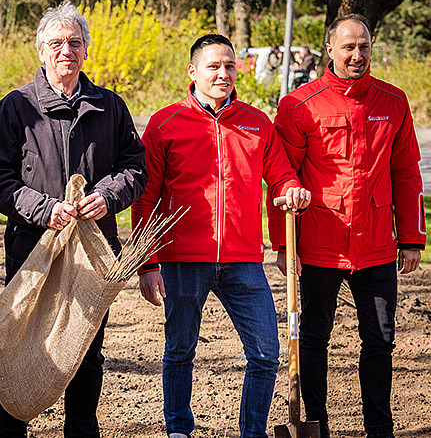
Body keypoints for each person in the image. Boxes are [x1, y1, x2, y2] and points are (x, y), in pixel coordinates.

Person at [0, 2, 146, 438]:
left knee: (86, 350)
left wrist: (107, 198)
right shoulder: (15, 108)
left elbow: (136, 170)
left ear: (86, 50)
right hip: (31, 248)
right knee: (19, 344)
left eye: (74, 42)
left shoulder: (110, 107)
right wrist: (43, 208)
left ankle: (81, 430)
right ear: (41, 51)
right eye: (55, 43)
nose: (65, 51)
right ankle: (11, 431)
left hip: (94, 253)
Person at [131, 34, 311, 438]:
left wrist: (291, 190)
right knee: (180, 351)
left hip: (243, 260)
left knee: (266, 353)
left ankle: (253, 433)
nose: (223, 74)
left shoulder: (257, 122)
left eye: (229, 66)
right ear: (193, 72)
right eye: (214, 66)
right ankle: (179, 429)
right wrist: (147, 263)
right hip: (182, 260)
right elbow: (145, 198)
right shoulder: (165, 124)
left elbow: (280, 176)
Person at [268, 14, 425, 438]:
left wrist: (411, 237)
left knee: (381, 339)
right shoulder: (300, 104)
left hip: (375, 246)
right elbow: (281, 175)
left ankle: (380, 428)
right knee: (313, 339)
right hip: (319, 243)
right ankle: (316, 425)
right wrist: (284, 245)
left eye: (364, 47)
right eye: (349, 47)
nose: (358, 55)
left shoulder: (393, 102)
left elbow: (407, 173)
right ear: (330, 50)